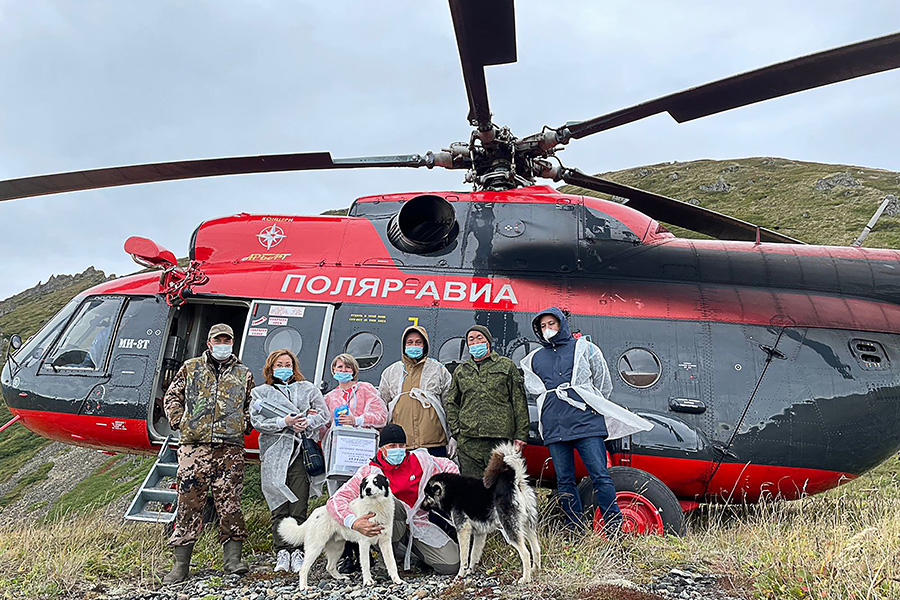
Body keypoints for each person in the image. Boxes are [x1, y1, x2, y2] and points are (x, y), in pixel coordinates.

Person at [519, 308, 652, 533]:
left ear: (562, 323)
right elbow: (534, 389)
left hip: (586, 422)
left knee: (600, 475)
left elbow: (602, 384)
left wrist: (588, 402)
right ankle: (574, 529)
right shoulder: (533, 359)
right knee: (564, 480)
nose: (547, 329)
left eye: (551, 323)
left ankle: (613, 527)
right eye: (542, 326)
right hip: (555, 425)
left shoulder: (586, 348)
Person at [162, 323, 254, 584]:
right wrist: (181, 421)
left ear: (232, 343)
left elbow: (251, 405)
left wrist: (243, 424)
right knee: (189, 502)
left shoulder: (243, 373)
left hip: (230, 448)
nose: (222, 343)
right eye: (218, 339)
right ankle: (180, 565)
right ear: (209, 342)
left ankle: (233, 560)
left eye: (227, 339)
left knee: (231, 503)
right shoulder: (190, 368)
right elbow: (172, 396)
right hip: (194, 447)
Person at [326, 424, 460, 575]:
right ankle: (386, 562)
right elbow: (336, 500)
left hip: (418, 522)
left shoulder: (421, 460)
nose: (398, 449)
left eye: (401, 445)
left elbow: (448, 465)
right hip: (384, 525)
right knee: (390, 501)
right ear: (381, 448)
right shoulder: (369, 472)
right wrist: (354, 522)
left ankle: (413, 554)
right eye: (392, 446)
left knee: (451, 565)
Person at [250, 349, 328, 573]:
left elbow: (324, 414)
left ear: (294, 367)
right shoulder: (260, 392)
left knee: (299, 502)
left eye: (287, 364)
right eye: (279, 364)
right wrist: (282, 421)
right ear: (271, 368)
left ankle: (298, 550)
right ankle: (282, 550)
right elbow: (257, 420)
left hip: (299, 452)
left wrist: (308, 422)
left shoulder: (308, 388)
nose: (283, 368)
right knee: (278, 503)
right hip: (274, 453)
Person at [445, 325, 530, 477]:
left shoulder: (506, 366)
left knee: (500, 488)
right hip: (469, 442)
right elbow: (451, 402)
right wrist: (457, 431)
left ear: (488, 341)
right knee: (473, 489)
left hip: (500, 440)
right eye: (471, 339)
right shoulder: (461, 370)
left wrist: (521, 435)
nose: (475, 342)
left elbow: (519, 402)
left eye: (480, 338)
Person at [379, 326, 452, 457]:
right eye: (410, 342)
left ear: (425, 345)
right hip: (402, 446)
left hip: (434, 443)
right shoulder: (391, 372)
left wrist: (454, 436)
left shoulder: (438, 370)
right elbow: (382, 407)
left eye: (418, 342)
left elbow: (449, 404)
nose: (414, 345)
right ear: (404, 345)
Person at [322, 353, 388, 493]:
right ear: (333, 370)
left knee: (366, 490)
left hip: (363, 451)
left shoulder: (365, 389)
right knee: (340, 493)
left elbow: (382, 416)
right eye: (340, 367)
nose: (343, 370)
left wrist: (357, 420)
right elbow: (323, 428)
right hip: (338, 455)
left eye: (348, 367)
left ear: (354, 370)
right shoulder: (329, 398)